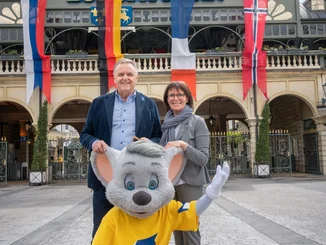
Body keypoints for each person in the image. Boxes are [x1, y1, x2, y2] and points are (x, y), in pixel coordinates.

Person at [80, 58, 162, 239]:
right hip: (105, 177)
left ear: (137, 78)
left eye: (130, 74)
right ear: (114, 78)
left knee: (137, 230)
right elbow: (85, 135)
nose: (125, 78)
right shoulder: (99, 104)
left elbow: (158, 136)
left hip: (138, 181)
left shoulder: (149, 104)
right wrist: (94, 143)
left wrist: (150, 142)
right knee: (102, 228)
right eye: (121, 74)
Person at [159, 81, 210, 245]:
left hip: (190, 181)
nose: (176, 98)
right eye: (171, 95)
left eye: (180, 94)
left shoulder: (197, 122)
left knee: (189, 228)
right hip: (170, 182)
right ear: (167, 99)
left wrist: (184, 146)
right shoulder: (165, 124)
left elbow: (203, 158)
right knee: (176, 227)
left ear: (187, 98)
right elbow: (164, 152)